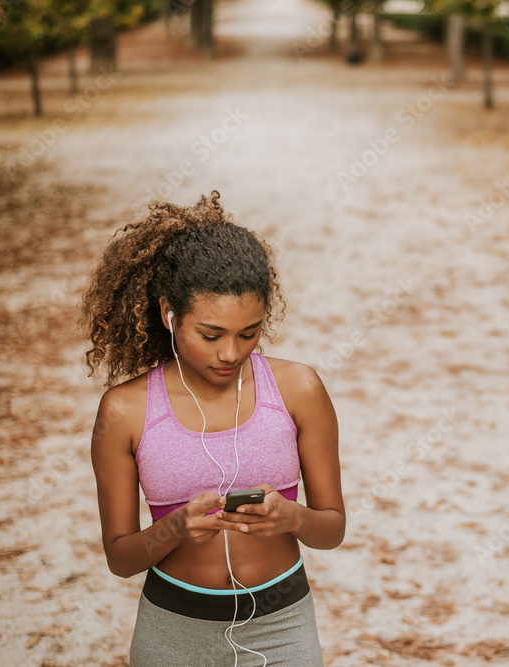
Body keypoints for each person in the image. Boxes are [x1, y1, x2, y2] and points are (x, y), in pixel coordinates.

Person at [81, 192, 344, 666]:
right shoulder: (124, 411)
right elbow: (121, 558)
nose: (230, 354)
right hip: (172, 631)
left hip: (283, 624)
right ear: (168, 313)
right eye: (210, 334)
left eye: (249, 333)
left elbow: (332, 528)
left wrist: (293, 518)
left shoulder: (299, 389)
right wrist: (176, 528)